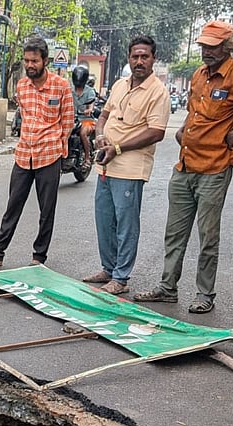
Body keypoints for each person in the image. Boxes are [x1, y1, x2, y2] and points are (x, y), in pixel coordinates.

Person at [133, 20, 233, 313]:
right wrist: (184, 129)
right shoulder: (200, 74)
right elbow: (195, 109)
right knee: (174, 233)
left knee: (208, 237)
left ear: (227, 48)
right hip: (185, 164)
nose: (206, 52)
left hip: (215, 167)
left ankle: (205, 294)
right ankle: (167, 287)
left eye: (213, 47)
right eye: (204, 46)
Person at [0, 37, 73, 269]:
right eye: (26, 60)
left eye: (34, 60)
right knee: (13, 206)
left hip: (49, 155)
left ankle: (39, 257)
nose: (30, 65)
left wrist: (60, 151)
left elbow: (67, 122)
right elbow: (24, 117)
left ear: (45, 61)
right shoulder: (22, 86)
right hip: (24, 154)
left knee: (47, 211)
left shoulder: (61, 86)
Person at [81, 36, 170, 296]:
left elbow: (156, 132)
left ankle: (120, 278)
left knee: (126, 225)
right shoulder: (120, 84)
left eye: (145, 56)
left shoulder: (158, 92)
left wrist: (117, 148)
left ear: (153, 59)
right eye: (135, 56)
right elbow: (104, 115)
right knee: (104, 220)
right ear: (129, 58)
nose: (139, 61)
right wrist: (99, 135)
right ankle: (108, 269)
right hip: (105, 166)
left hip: (130, 168)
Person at [70, 65, 97, 167]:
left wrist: (89, 110)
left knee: (83, 133)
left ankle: (87, 158)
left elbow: (91, 105)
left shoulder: (89, 91)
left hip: (86, 120)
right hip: (71, 119)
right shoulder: (69, 89)